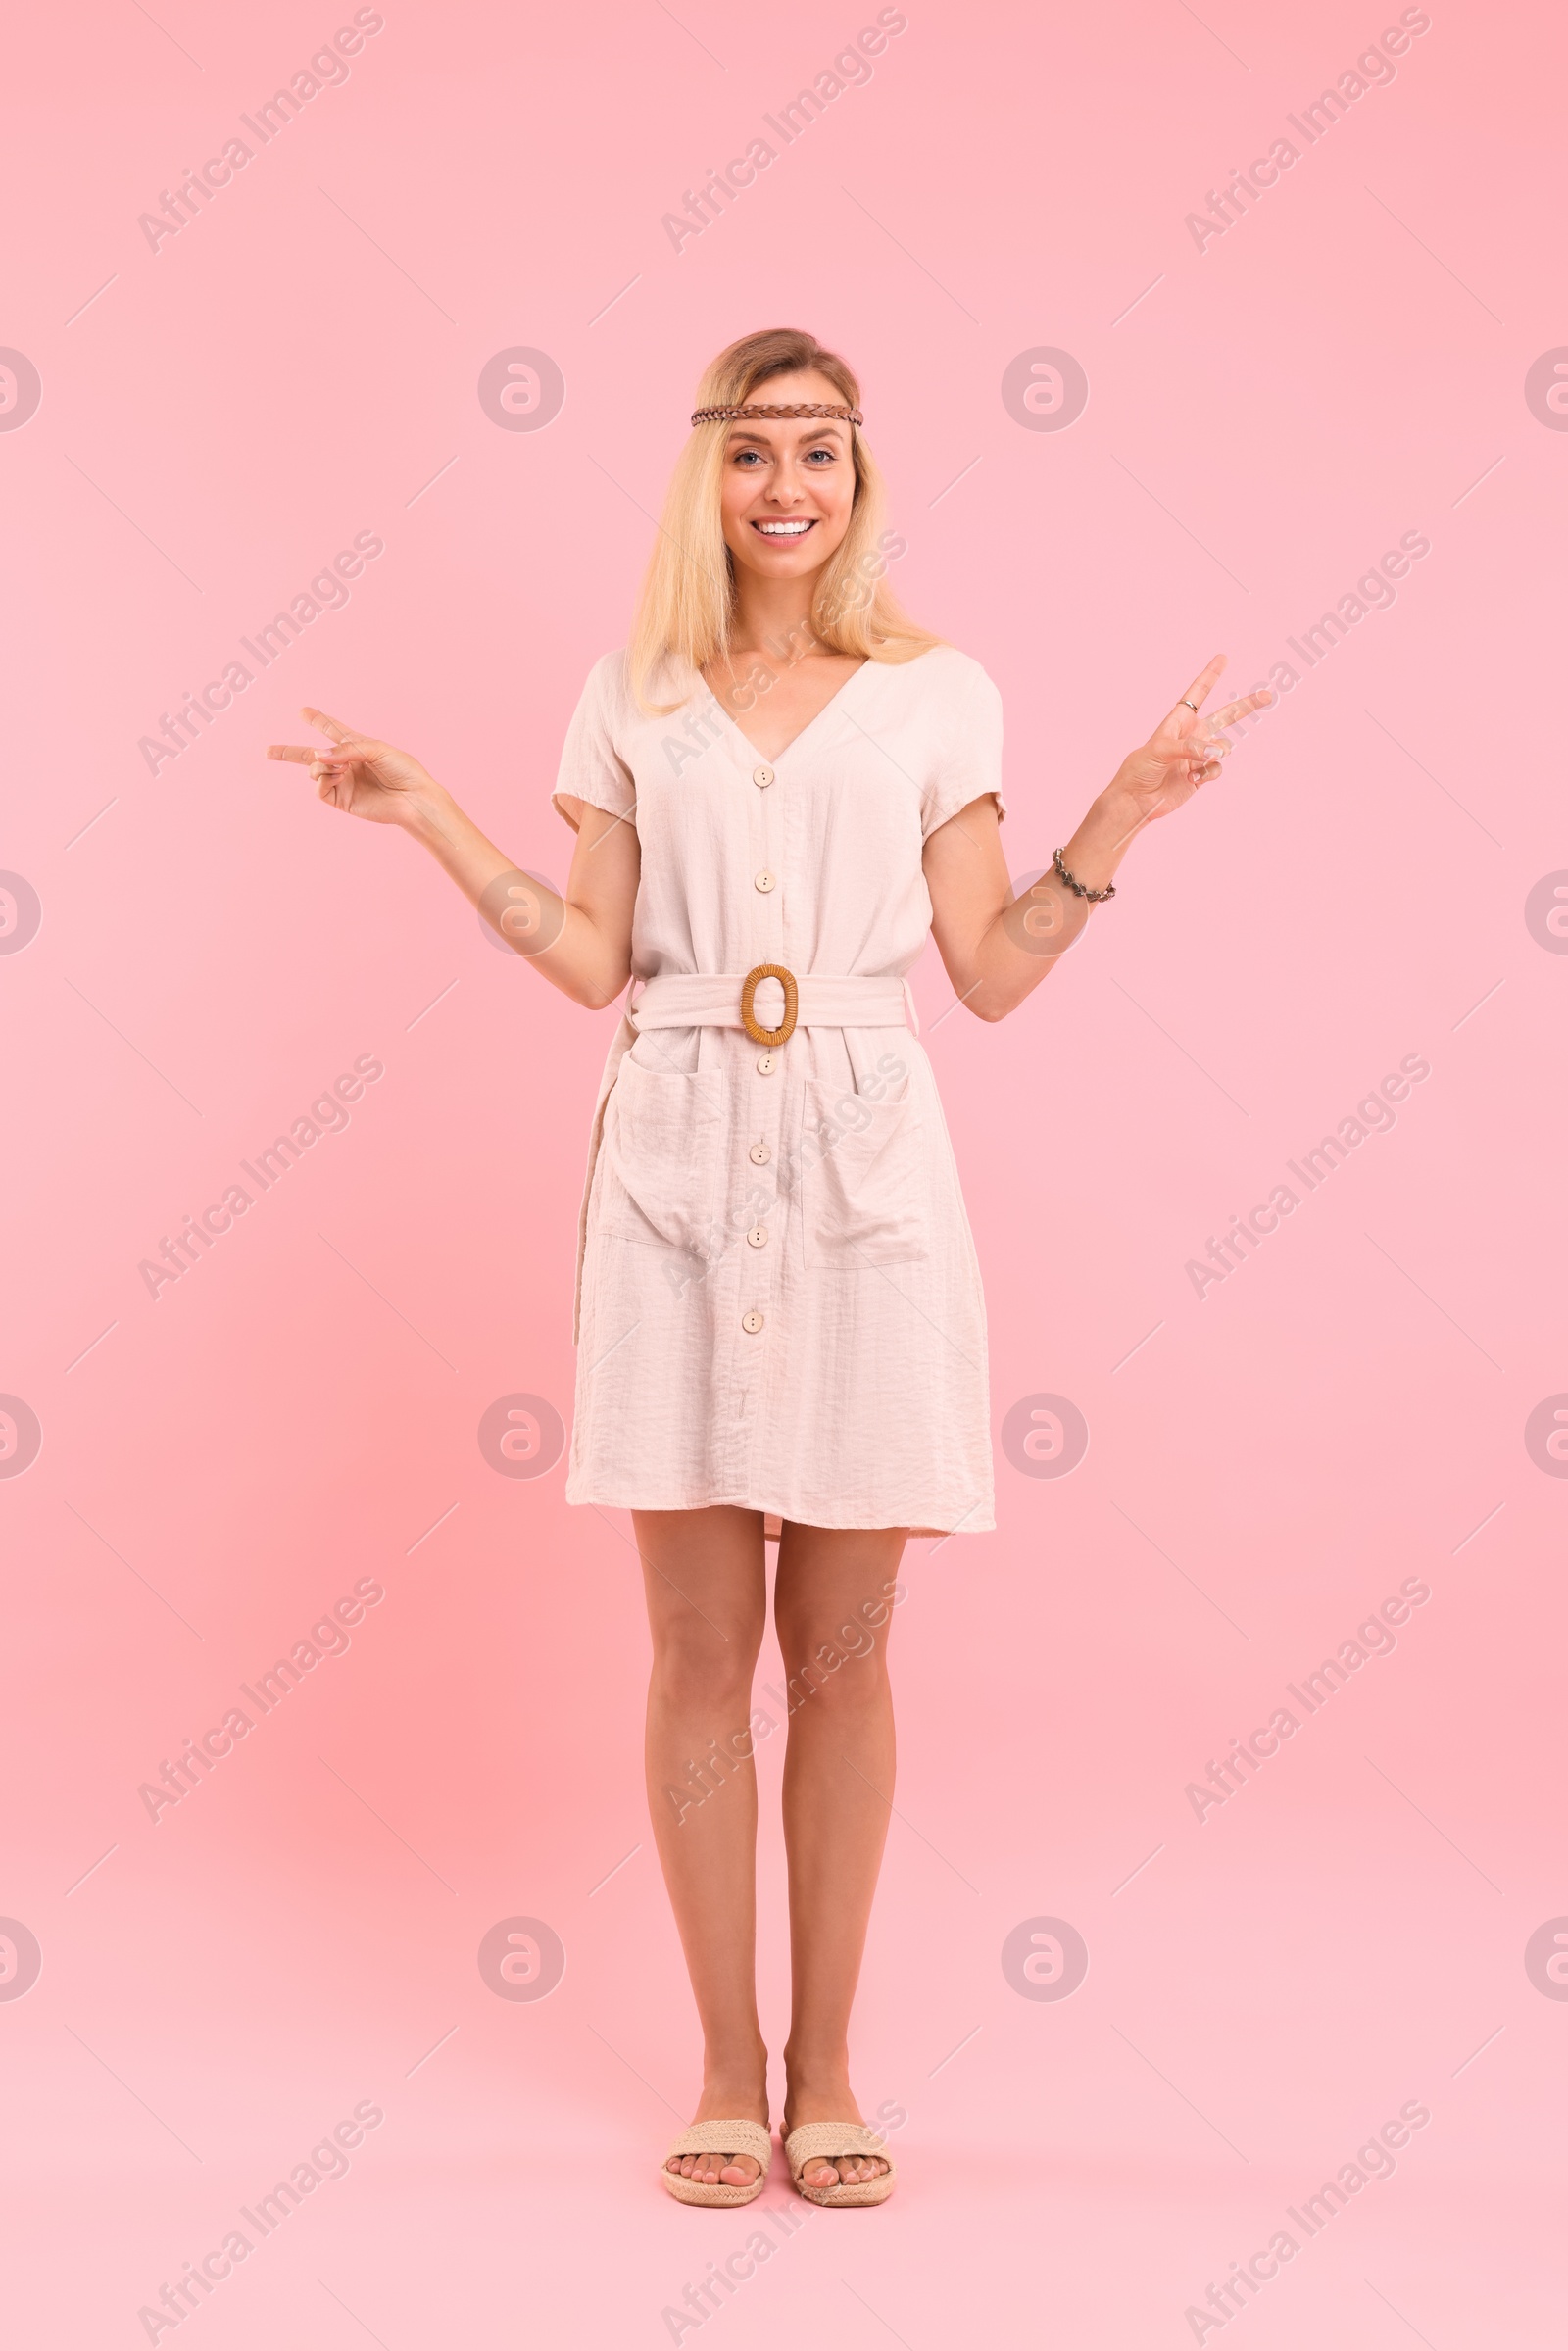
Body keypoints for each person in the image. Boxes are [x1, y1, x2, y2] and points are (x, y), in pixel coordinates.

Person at [267, 326, 1270, 2209]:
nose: (787, 485)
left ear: (863, 473)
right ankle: (725, 2061)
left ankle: (829, 2067)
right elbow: (587, 961)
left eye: (819, 449)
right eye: (752, 451)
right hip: (676, 1145)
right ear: (705, 475)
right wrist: (427, 819)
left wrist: (1123, 812)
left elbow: (986, 965)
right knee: (699, 1651)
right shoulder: (634, 692)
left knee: (850, 1653)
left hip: (867, 1160)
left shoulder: (936, 695)